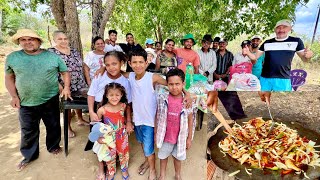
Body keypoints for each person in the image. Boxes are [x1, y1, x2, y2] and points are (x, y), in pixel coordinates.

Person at [5, 29, 72, 171]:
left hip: (50, 98)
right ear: (19, 42)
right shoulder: (13, 58)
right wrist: (14, 96)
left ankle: (53, 146)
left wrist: (66, 87)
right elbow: (9, 77)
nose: (28, 42)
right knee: (28, 130)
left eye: (31, 39)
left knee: (53, 125)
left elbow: (65, 72)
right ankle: (29, 155)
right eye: (24, 40)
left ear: (39, 41)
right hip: (25, 101)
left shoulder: (52, 57)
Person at [85, 51, 133, 179]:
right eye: (107, 64)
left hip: (119, 114)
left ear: (121, 63)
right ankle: (103, 169)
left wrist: (128, 121)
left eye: (114, 64)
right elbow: (91, 94)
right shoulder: (99, 76)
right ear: (104, 65)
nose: (111, 67)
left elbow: (128, 104)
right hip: (101, 112)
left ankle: (122, 168)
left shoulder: (125, 80)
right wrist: (91, 111)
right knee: (101, 143)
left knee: (120, 148)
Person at [126, 49, 168, 180]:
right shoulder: (130, 76)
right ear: (129, 63)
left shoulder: (153, 77)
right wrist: (103, 69)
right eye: (134, 62)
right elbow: (116, 72)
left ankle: (153, 170)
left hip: (149, 121)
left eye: (141, 62)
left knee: (149, 147)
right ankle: (147, 162)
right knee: (142, 143)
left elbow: (171, 83)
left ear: (146, 63)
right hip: (137, 119)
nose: (138, 65)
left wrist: (186, 93)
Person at [245, 19, 313, 91]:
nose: (281, 30)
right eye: (278, 27)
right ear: (275, 30)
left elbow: (305, 59)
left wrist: (308, 56)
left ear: (289, 28)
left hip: (283, 79)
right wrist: (248, 53)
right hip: (265, 79)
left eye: (284, 27)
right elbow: (255, 57)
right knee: (263, 100)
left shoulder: (296, 41)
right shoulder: (267, 42)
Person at [48, 30, 89, 138]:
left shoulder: (74, 50)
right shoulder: (51, 52)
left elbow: (82, 64)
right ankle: (68, 128)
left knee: (80, 101)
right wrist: (58, 85)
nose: (63, 41)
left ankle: (80, 119)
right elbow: (48, 71)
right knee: (67, 107)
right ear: (54, 40)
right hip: (64, 85)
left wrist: (87, 80)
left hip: (79, 82)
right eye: (60, 39)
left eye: (65, 39)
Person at [155, 68, 193, 180]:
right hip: (165, 136)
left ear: (183, 84)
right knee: (163, 156)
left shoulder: (187, 101)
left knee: (178, 157)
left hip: (180, 137)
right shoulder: (163, 98)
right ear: (167, 84)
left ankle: (178, 174)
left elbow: (191, 120)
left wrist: (189, 138)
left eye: (177, 84)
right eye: (171, 84)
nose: (174, 87)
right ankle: (162, 175)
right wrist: (156, 132)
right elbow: (157, 116)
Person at [92, 82, 130, 180]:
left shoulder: (123, 106)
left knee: (124, 153)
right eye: (111, 95)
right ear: (106, 95)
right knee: (110, 155)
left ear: (121, 95)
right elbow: (97, 125)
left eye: (117, 95)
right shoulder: (102, 110)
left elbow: (128, 110)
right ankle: (111, 171)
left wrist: (129, 122)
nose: (114, 97)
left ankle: (124, 170)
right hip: (108, 138)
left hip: (122, 136)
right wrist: (98, 137)